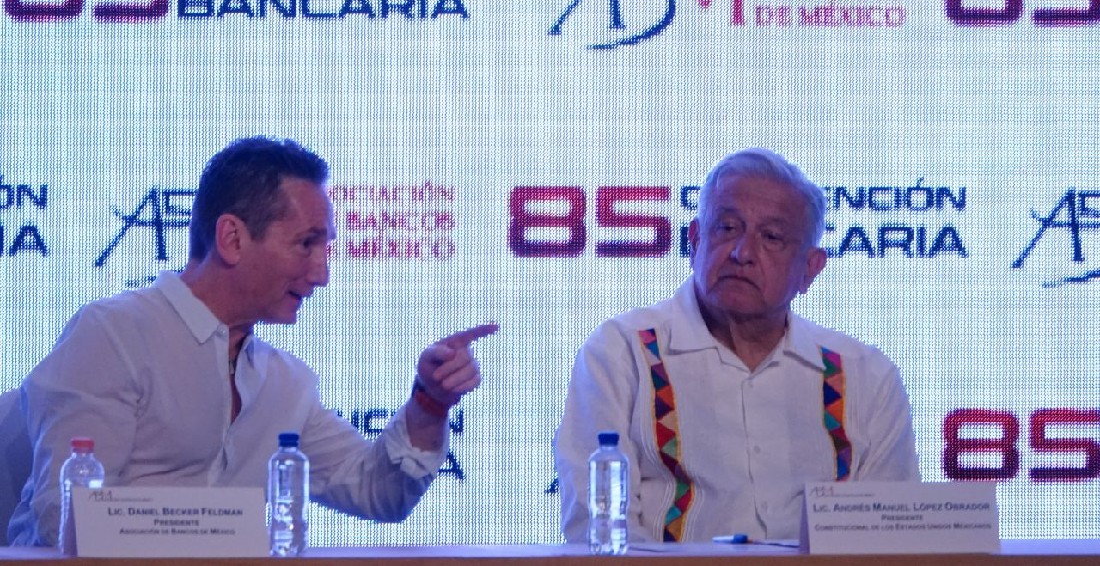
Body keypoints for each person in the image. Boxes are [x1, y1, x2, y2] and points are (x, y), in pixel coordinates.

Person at [7, 136, 497, 546]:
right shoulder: (113, 335)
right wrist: (223, 532)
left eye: (326, 248)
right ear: (232, 239)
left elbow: (377, 493)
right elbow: (66, 520)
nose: (322, 274)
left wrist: (430, 403)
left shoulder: (286, 383)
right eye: (306, 244)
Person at [554, 148, 919, 543]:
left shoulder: (865, 375)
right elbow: (598, 532)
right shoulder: (622, 352)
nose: (742, 254)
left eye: (772, 237)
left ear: (810, 269)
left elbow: (892, 539)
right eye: (727, 228)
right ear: (695, 240)